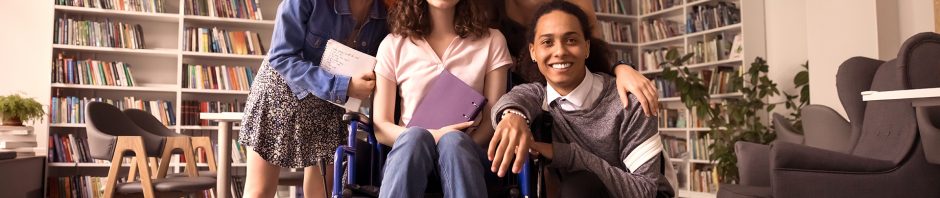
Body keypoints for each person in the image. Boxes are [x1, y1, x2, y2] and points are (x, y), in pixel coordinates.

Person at [489, 1, 675, 197]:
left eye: (571, 40)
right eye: (547, 42)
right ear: (533, 52)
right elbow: (514, 99)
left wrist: (567, 154)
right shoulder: (539, 96)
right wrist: (512, 116)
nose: (559, 51)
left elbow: (644, 191)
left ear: (587, 47)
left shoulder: (629, 100)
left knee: (578, 187)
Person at [238, 0, 389, 197]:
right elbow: (281, 56)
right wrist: (345, 86)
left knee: (321, 193)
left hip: (331, 102)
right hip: (281, 93)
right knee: (260, 191)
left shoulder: (387, 13)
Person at [370, 0, 511, 197]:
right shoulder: (393, 44)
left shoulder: (492, 40)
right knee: (415, 137)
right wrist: (434, 135)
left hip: (469, 158)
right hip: (410, 157)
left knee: (454, 143)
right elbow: (381, 128)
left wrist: (456, 140)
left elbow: (492, 120)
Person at [492, 0, 660, 117]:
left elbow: (595, 47)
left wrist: (621, 68)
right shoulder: (487, 6)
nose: (559, 50)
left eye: (570, 39)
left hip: (570, 94)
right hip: (514, 92)